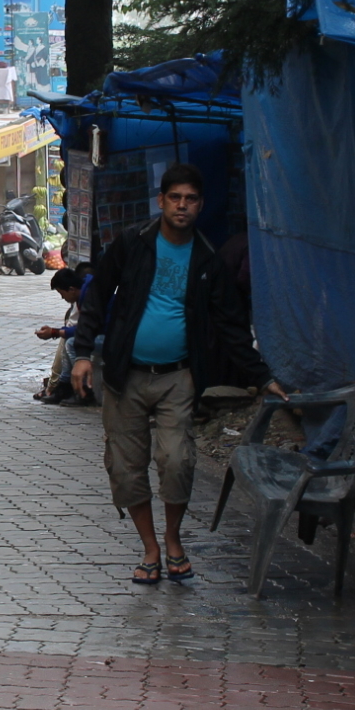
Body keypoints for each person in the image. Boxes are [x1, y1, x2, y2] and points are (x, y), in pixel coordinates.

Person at [70, 164, 283, 585]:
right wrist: (81, 353)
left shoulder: (208, 259)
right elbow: (97, 293)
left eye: (190, 199)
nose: (182, 206)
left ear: (200, 205)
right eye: (175, 198)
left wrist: (263, 377)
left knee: (177, 460)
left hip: (178, 377)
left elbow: (232, 325)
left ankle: (173, 539)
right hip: (124, 376)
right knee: (127, 467)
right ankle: (150, 548)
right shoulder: (134, 244)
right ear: (162, 201)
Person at [34, 266, 89, 404]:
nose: (62, 298)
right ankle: (63, 386)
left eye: (62, 294)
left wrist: (56, 332)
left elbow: (87, 328)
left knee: (71, 343)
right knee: (69, 340)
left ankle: (82, 389)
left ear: (71, 289)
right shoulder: (83, 293)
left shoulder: (88, 295)